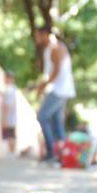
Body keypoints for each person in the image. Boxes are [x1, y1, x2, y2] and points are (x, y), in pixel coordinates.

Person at [33, 25, 75, 165]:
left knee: (42, 116)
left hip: (59, 90)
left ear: (45, 34)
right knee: (57, 122)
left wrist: (43, 86)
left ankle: (52, 151)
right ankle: (63, 155)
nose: (36, 38)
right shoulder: (52, 48)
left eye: (38, 35)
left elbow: (56, 71)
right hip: (60, 90)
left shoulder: (56, 47)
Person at [0, 72, 17, 154]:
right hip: (11, 116)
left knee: (10, 135)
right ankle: (12, 151)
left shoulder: (9, 89)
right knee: (11, 134)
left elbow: (8, 104)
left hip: (9, 116)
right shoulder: (12, 89)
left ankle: (11, 152)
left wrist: (5, 117)